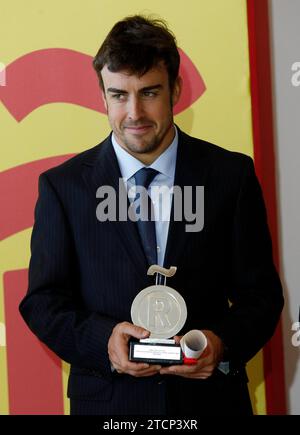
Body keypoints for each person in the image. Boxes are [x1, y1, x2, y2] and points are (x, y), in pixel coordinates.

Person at [19, 15, 284, 415]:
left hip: (210, 402)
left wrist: (220, 344)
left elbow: (261, 297)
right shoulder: (63, 187)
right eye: (119, 95)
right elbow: (43, 303)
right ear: (102, 96)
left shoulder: (231, 176)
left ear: (176, 89)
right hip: (109, 405)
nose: (134, 113)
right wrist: (104, 341)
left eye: (149, 93)